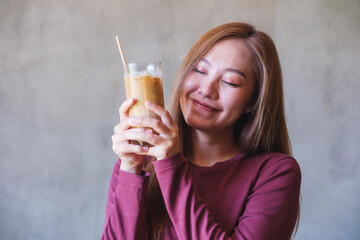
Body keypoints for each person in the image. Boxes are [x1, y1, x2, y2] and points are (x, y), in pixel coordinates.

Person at [101, 22, 301, 240]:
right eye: (199, 70)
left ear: (253, 101)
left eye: (230, 82)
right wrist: (130, 170)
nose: (206, 90)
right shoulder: (139, 164)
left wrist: (171, 165)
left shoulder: (276, 172)